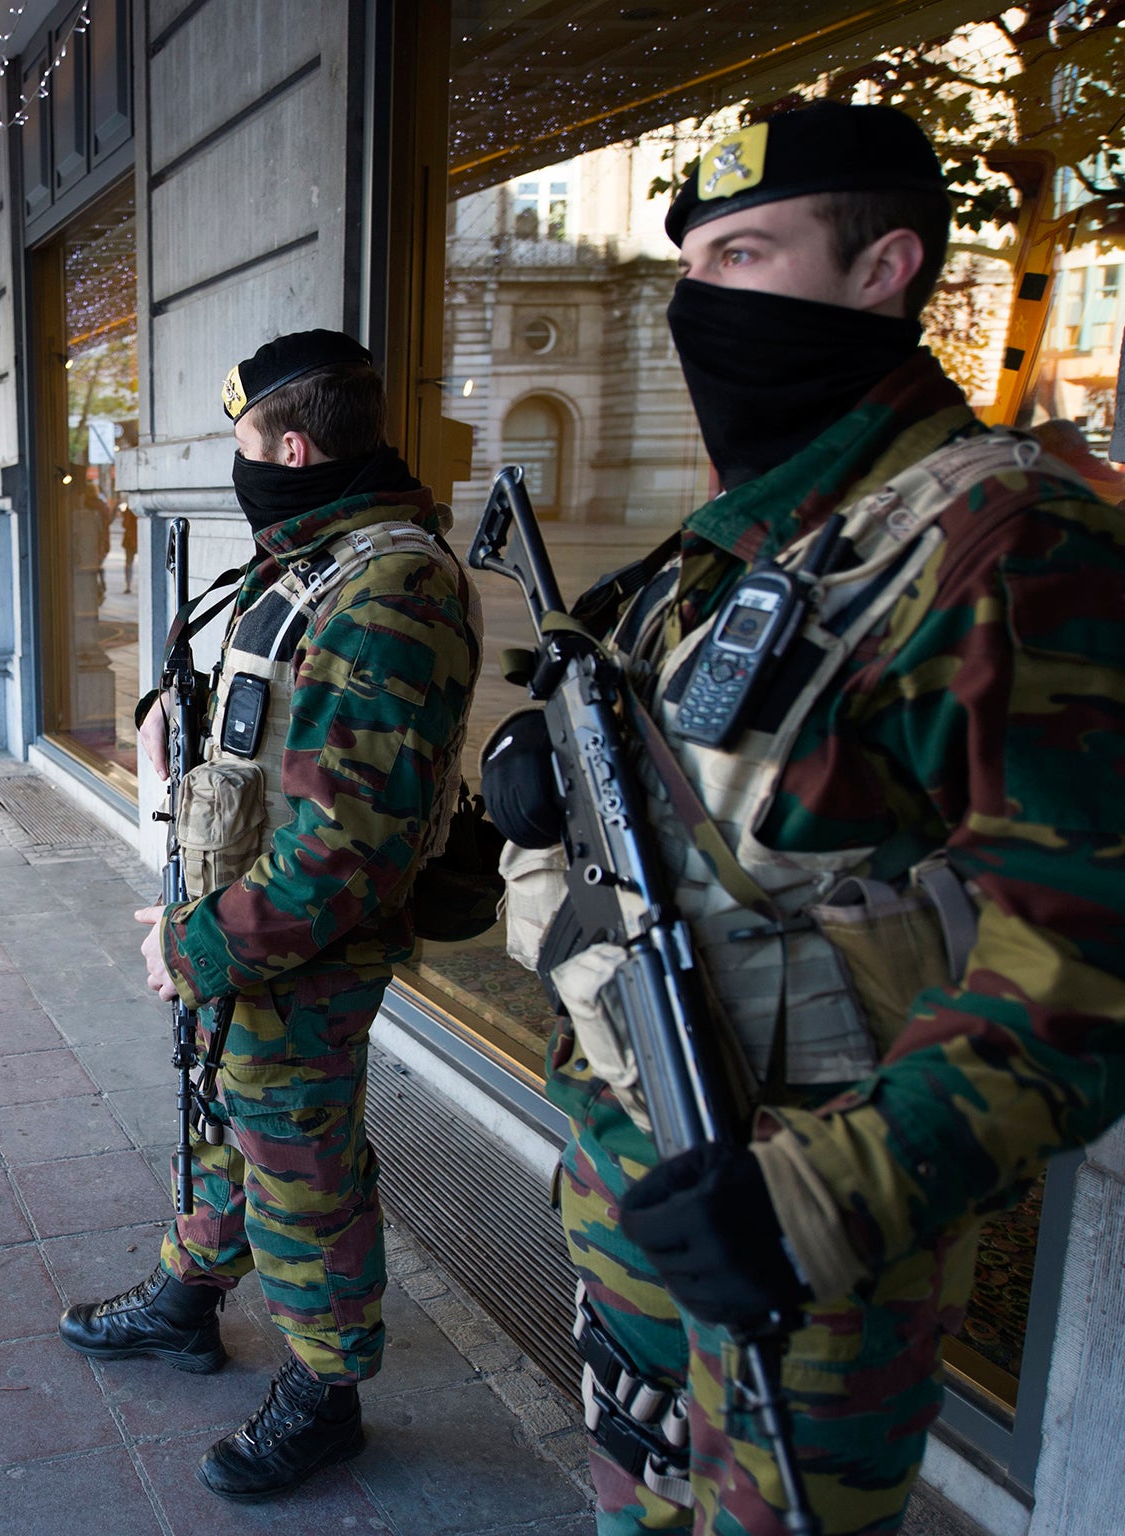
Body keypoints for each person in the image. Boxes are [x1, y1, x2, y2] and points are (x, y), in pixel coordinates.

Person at [489, 102, 1125, 1535]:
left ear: (885, 267)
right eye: (695, 264)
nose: (703, 302)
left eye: (749, 253)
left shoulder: (1008, 542)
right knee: (633, 1500)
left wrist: (818, 1203)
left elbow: (1084, 958)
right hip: (637, 1168)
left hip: (815, 1223)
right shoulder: (717, 549)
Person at [59, 331, 480, 1501]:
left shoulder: (391, 584)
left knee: (300, 1159)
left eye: (244, 444)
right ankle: (188, 1301)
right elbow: (265, 702)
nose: (244, 466)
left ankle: (325, 1391)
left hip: (299, 939)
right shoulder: (316, 550)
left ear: (289, 445)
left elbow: (344, 859)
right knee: (219, 1112)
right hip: (237, 906)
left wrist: (192, 947)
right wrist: (164, 715)